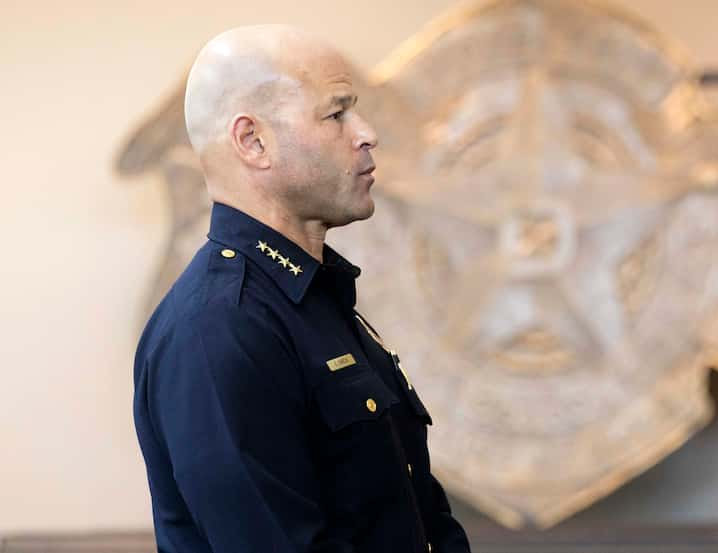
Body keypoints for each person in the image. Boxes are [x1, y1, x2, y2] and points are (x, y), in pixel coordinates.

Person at [132, 24, 471, 553]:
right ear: (253, 141)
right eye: (337, 114)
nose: (366, 133)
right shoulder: (220, 328)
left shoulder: (314, 301)